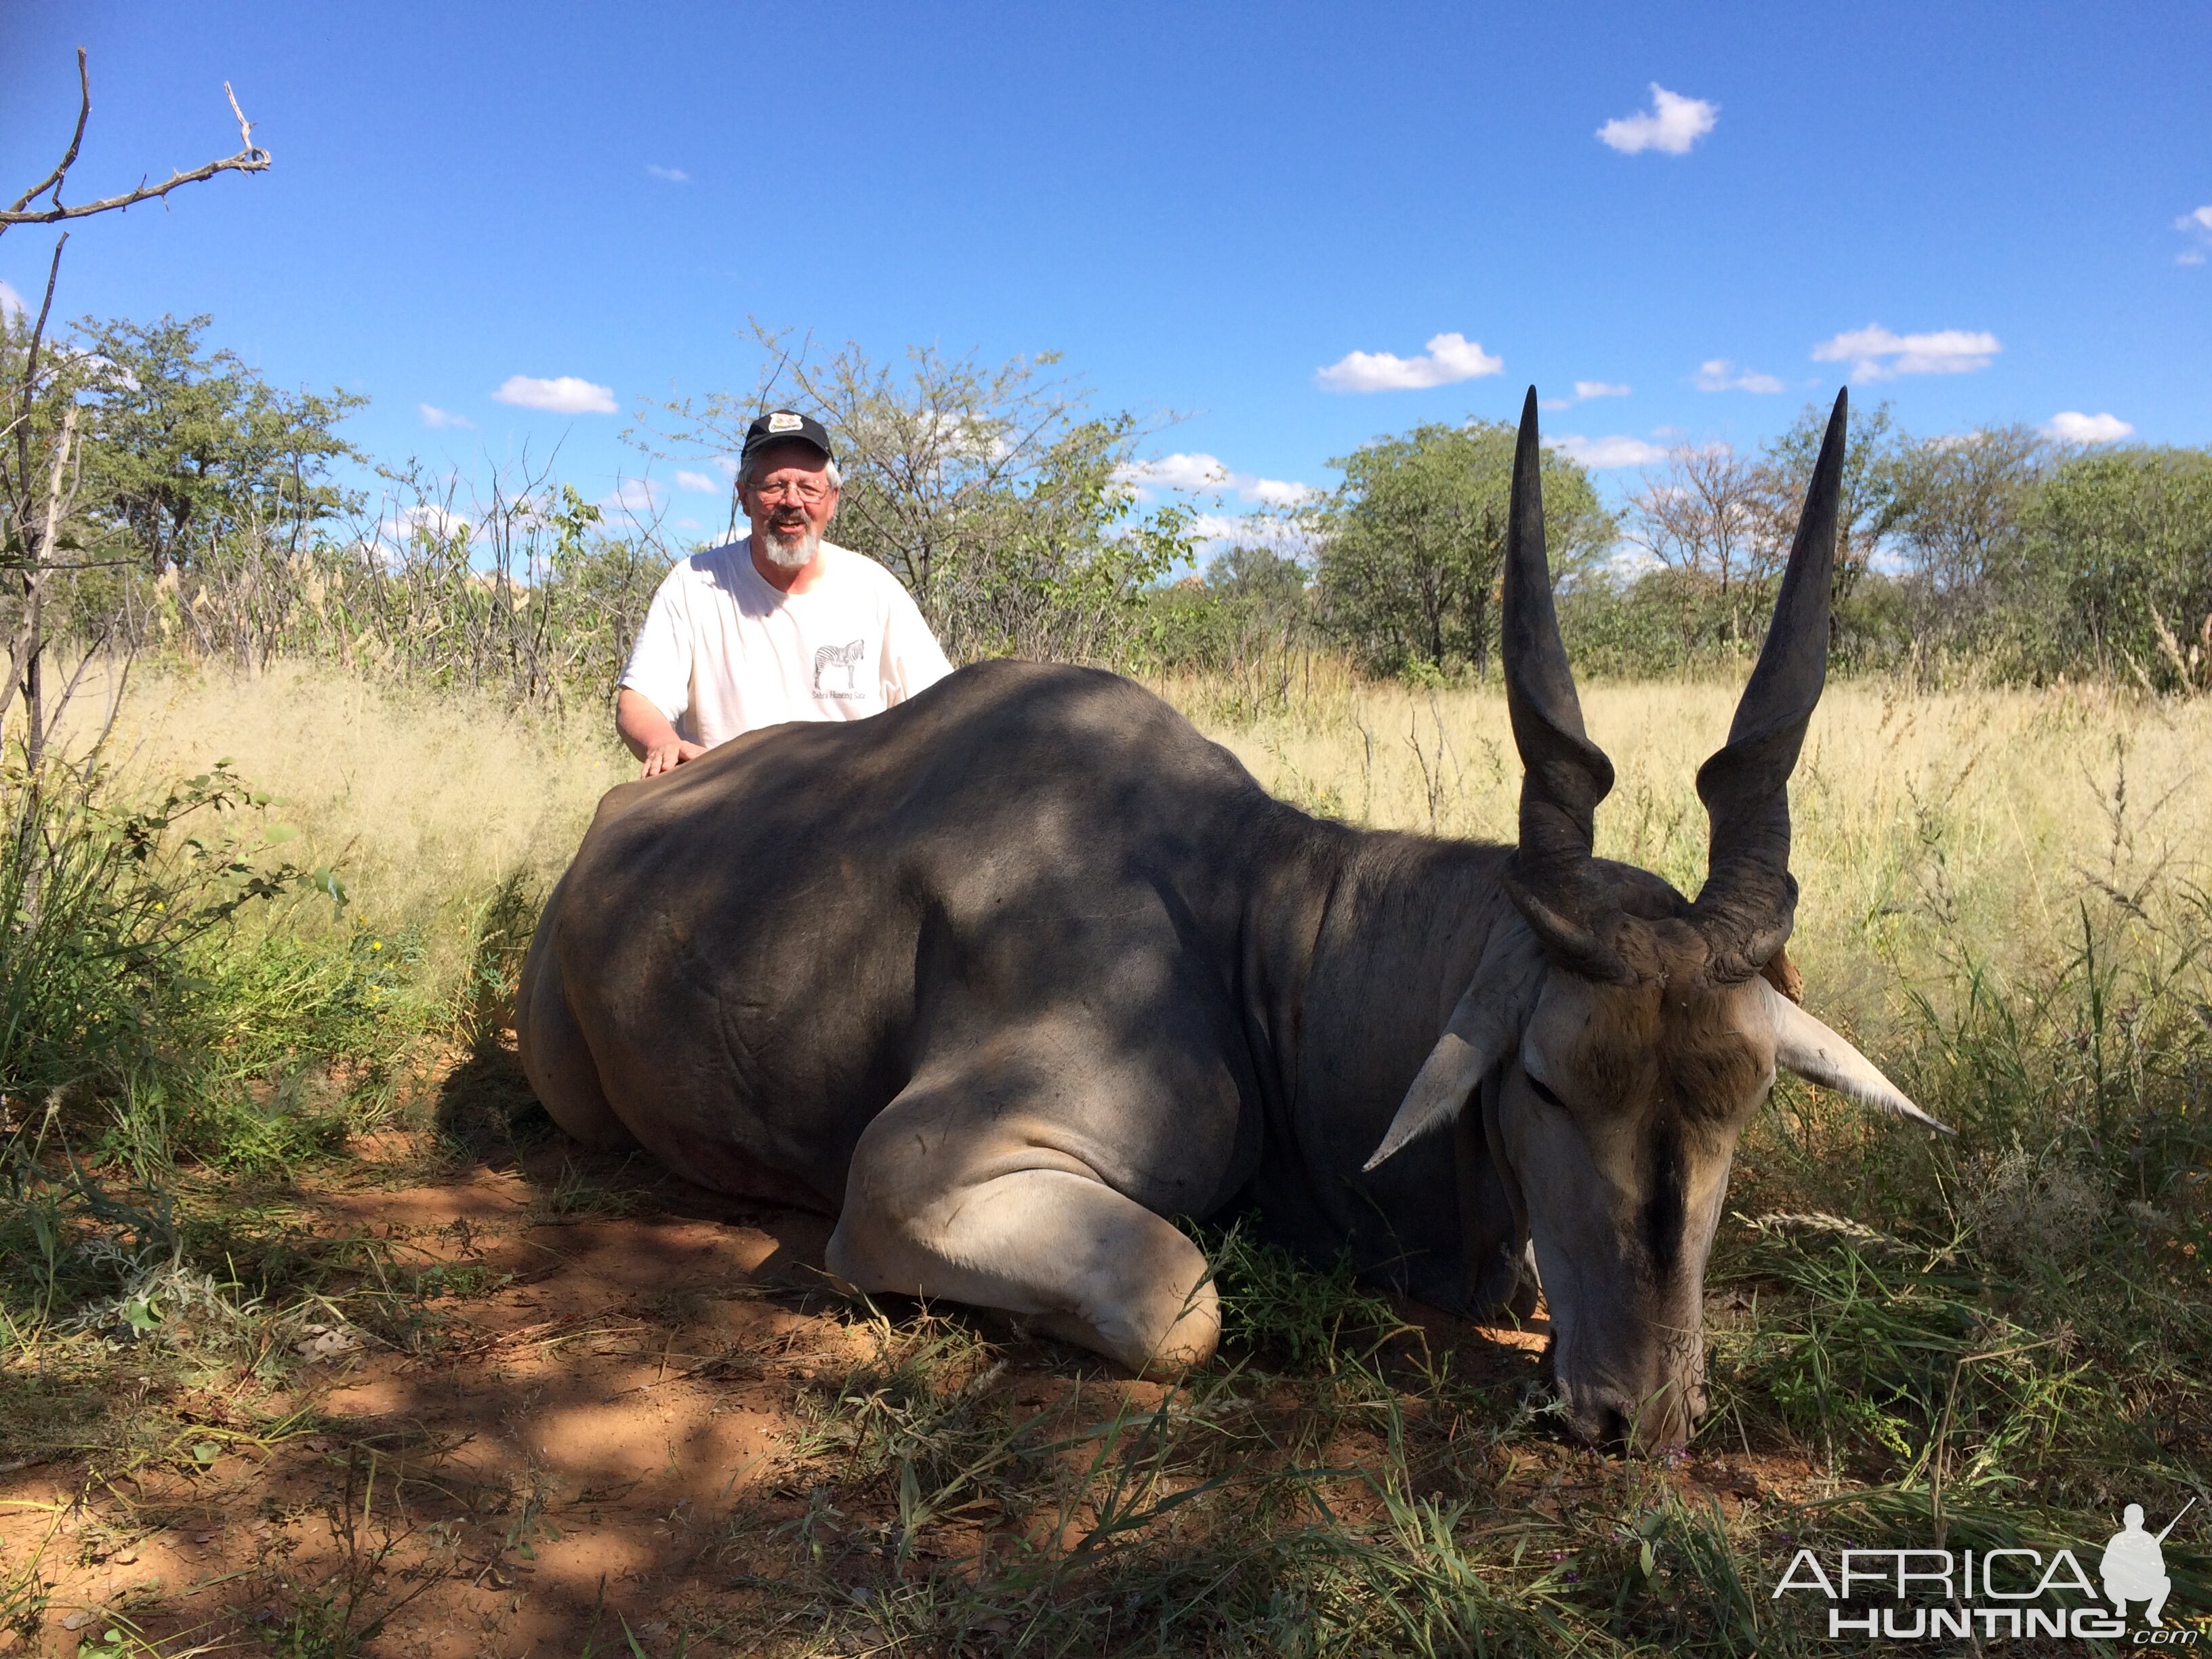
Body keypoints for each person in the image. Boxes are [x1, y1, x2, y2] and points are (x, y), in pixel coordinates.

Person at [616, 410, 954, 777]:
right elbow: (639, 700)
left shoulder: (876, 589)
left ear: (833, 500)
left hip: (857, 808)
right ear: (744, 497)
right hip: (726, 804)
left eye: (809, 488)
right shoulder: (693, 583)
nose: (792, 502)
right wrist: (662, 743)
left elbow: (944, 708)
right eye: (774, 486)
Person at [2100, 1504, 2172, 1627]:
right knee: (2108, 1582)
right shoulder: (2118, 1539)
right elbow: (2105, 1568)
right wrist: (2122, 1571)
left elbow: (2161, 1569)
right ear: (2125, 1521)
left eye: (2136, 1518)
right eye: (2131, 1518)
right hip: (2120, 1587)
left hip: (2143, 1588)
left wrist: (2145, 1569)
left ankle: (2153, 1614)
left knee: (2165, 1583)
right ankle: (2121, 1605)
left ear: (2142, 1521)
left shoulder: (2149, 1540)